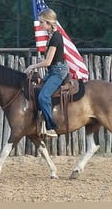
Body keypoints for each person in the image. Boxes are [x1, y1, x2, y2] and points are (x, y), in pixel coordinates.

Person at [25, 8, 69, 137]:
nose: (40, 25)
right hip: (53, 70)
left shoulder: (56, 37)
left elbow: (48, 62)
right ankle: (42, 121)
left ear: (49, 22)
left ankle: (51, 127)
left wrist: (32, 66)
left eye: (42, 22)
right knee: (37, 92)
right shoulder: (52, 37)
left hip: (57, 72)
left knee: (43, 96)